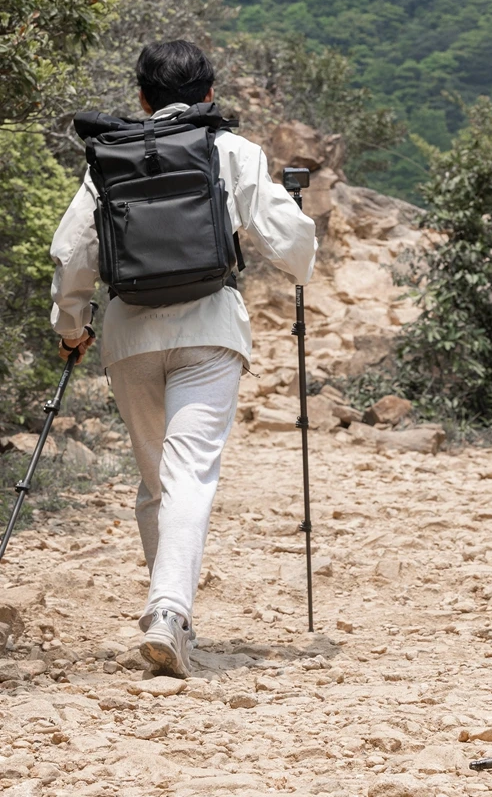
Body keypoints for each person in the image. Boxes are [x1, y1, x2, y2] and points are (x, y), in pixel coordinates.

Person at [49, 40, 317, 678]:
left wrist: (70, 327)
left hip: (129, 336)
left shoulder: (108, 157)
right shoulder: (231, 149)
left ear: (140, 98)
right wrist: (301, 254)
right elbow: (291, 241)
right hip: (209, 329)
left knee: (157, 484)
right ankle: (168, 609)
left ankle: (167, 616)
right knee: (188, 476)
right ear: (209, 95)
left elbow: (71, 254)